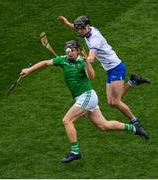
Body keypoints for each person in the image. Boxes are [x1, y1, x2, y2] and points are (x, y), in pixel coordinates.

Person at [20, 40, 148, 163]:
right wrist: (28, 70)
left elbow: (92, 76)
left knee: (67, 120)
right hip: (84, 98)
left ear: (78, 51)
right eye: (68, 50)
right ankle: (134, 128)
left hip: (87, 96)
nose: (70, 52)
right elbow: (45, 62)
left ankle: (75, 152)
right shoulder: (62, 60)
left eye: (72, 50)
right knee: (103, 125)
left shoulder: (82, 62)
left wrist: (87, 62)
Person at [58, 16, 151, 133]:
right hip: (110, 69)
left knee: (116, 101)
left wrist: (79, 59)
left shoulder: (94, 39)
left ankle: (135, 121)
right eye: (78, 29)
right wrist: (67, 23)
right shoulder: (88, 30)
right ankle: (133, 81)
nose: (79, 31)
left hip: (116, 67)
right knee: (111, 102)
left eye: (81, 29)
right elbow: (77, 27)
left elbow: (91, 58)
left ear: (87, 27)